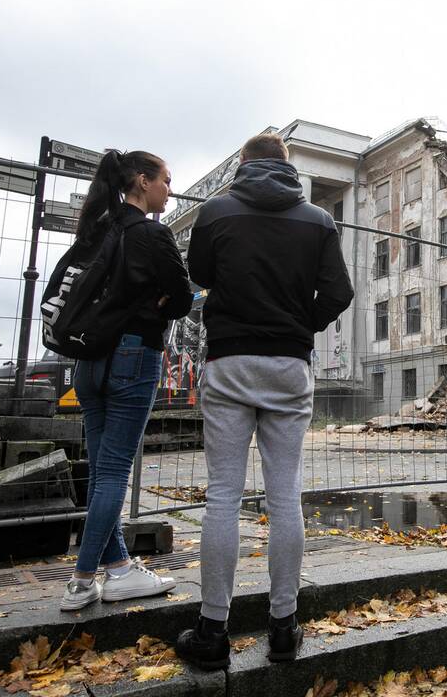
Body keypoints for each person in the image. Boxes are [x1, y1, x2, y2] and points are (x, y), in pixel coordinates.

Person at [176, 134, 354, 669]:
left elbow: (201, 275)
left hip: (229, 360)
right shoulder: (318, 220)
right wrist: (301, 326)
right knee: (285, 497)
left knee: (223, 495)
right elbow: (340, 292)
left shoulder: (215, 211)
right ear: (287, 167)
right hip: (288, 365)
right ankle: (283, 627)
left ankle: (212, 632)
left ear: (244, 165)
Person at [59, 150, 193, 611]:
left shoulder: (96, 229)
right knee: (115, 471)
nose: (169, 189)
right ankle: (80, 580)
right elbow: (181, 297)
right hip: (133, 355)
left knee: (101, 470)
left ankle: (118, 572)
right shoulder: (153, 234)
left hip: (88, 359)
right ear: (142, 181)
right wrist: (159, 300)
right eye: (166, 180)